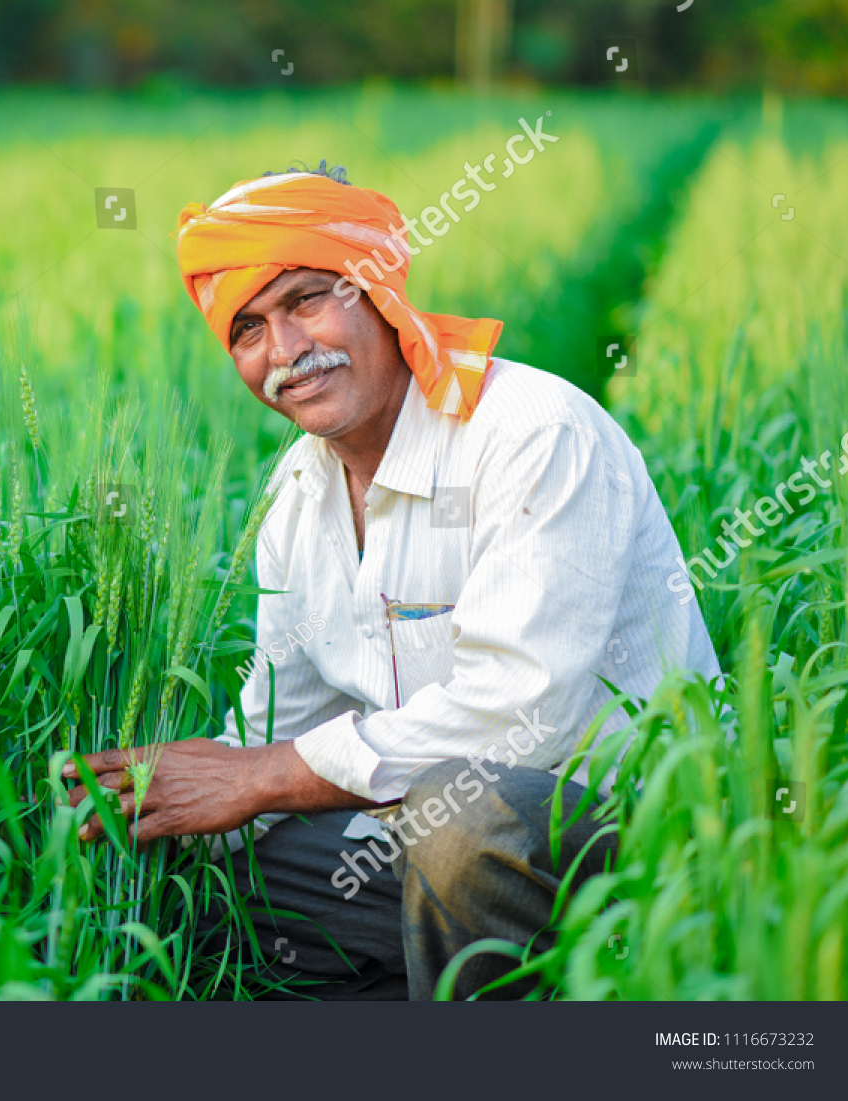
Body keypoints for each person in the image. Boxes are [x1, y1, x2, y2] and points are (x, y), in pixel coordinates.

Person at [60, 161, 722, 999]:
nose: (288, 351)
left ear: (380, 290)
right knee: (183, 864)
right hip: (419, 844)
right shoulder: (296, 499)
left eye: (307, 299)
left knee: (465, 813)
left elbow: (524, 717)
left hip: (621, 846)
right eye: (249, 329)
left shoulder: (530, 434)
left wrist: (258, 776)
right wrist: (156, 796)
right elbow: (285, 719)